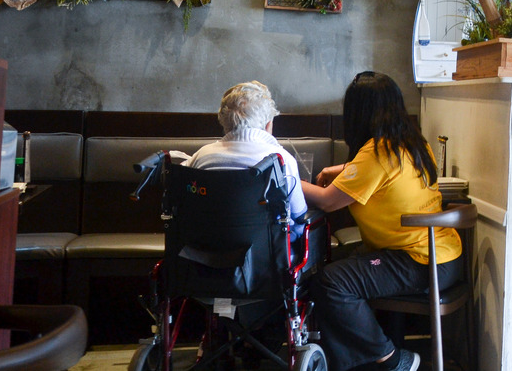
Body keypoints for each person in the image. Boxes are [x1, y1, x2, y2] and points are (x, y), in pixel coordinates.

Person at [301, 71, 460, 371]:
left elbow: (327, 201)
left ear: (358, 113)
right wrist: (339, 170)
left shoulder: (377, 152)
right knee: (338, 264)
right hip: (444, 257)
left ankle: (392, 359)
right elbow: (372, 170)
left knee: (330, 282)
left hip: (419, 262)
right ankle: (360, 361)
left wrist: (286, 178)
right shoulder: (413, 143)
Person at [187, 80, 307, 219]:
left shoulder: (202, 156)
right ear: (269, 125)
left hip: (205, 233)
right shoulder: (282, 159)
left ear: (224, 123)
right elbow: (299, 214)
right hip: (267, 233)